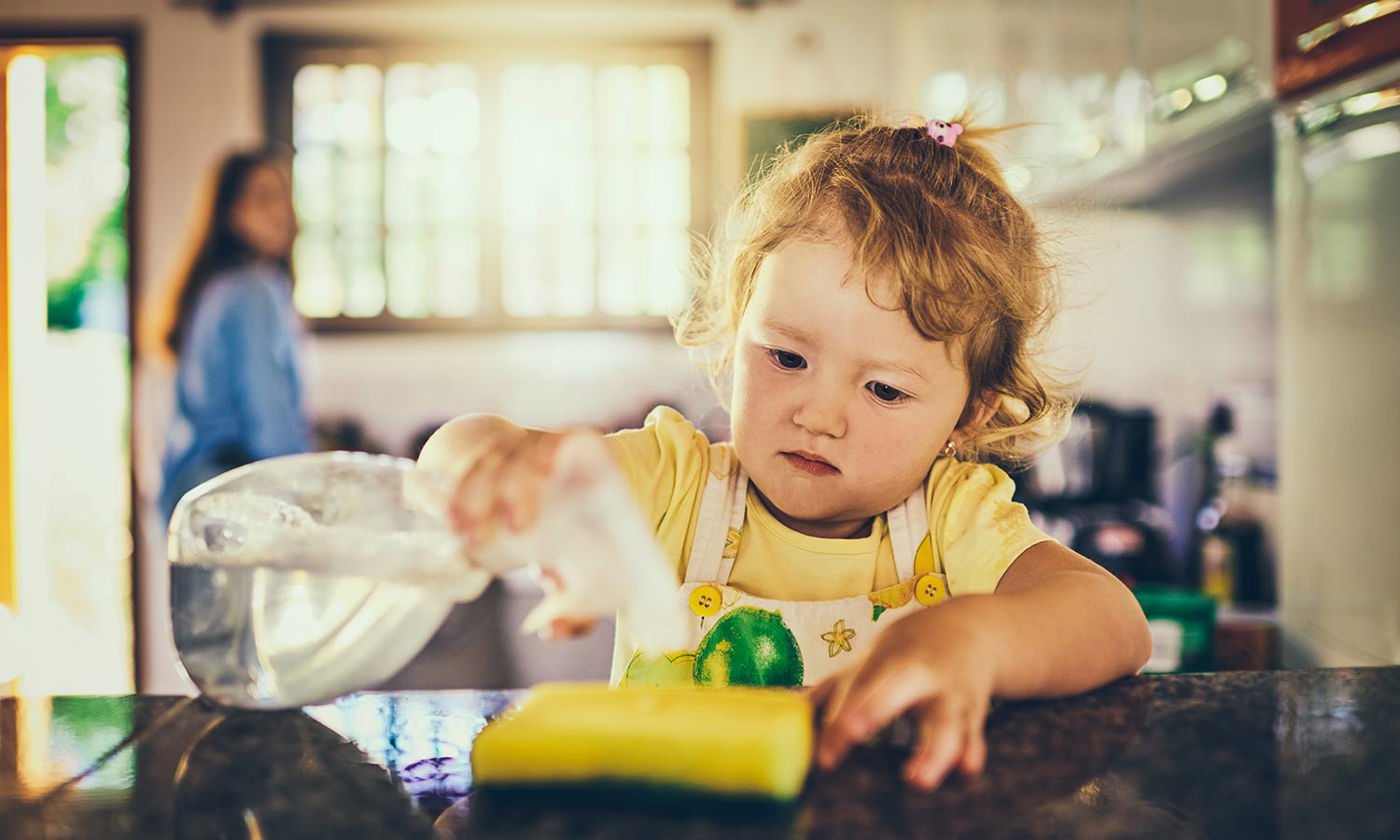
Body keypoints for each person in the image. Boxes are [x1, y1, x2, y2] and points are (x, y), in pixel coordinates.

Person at [417, 115, 1152, 790]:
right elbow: (456, 457)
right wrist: (499, 460)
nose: (818, 414)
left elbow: (1114, 622)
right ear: (738, 328)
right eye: (785, 358)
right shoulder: (674, 483)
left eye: (885, 391)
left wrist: (975, 637)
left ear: (969, 414)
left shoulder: (952, 521)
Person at [153, 148, 312, 520]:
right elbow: (265, 403)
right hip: (235, 493)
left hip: (194, 491)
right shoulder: (252, 290)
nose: (282, 213)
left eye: (284, 198)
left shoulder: (215, 287)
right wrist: (304, 489)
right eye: (263, 198)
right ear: (230, 212)